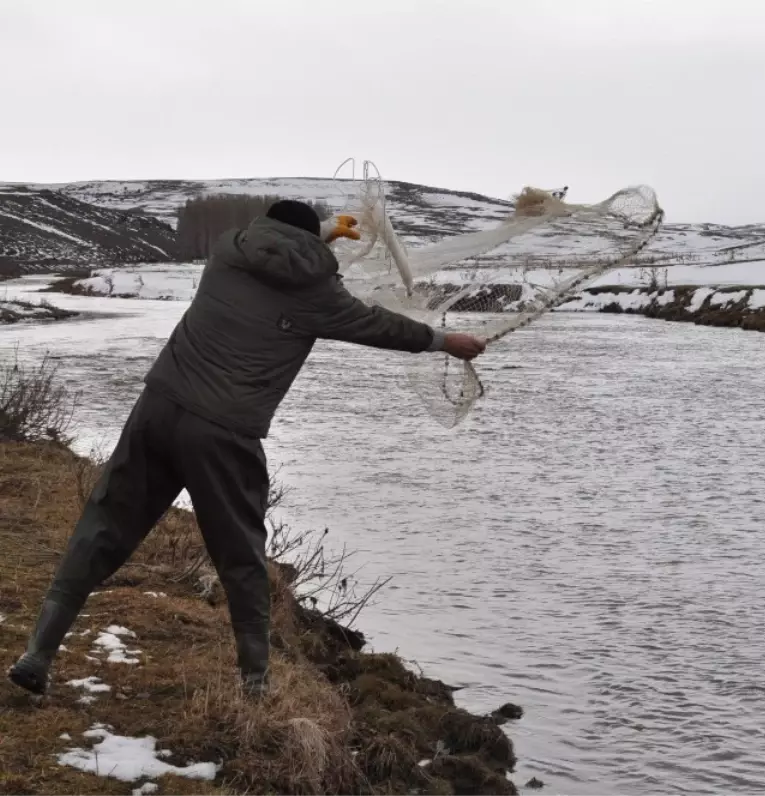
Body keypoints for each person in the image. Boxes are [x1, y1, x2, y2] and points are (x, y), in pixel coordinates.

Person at [8, 200, 486, 698]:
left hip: (158, 407)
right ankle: (256, 685)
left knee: (103, 526)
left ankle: (37, 654)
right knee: (240, 556)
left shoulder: (226, 250)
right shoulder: (320, 294)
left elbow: (278, 245)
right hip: (225, 431)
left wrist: (322, 230)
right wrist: (443, 340)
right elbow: (378, 325)